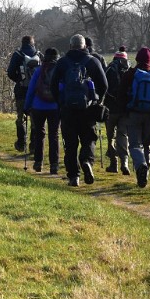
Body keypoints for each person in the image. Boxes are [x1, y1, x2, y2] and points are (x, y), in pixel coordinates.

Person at [50, 34, 108, 187]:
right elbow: (104, 85)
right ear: (85, 46)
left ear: (70, 46)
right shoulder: (92, 61)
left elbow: (53, 85)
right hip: (88, 109)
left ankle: (73, 177)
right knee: (89, 138)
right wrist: (98, 100)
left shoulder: (62, 62)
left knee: (70, 144)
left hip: (67, 109)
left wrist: (60, 102)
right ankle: (86, 161)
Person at [120, 47, 150, 188]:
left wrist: (125, 111)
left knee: (135, 145)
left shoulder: (130, 75)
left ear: (137, 59)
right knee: (147, 146)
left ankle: (141, 166)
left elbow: (120, 94)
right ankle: (144, 175)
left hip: (133, 114)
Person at [23, 48, 61, 174]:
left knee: (39, 134)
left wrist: (26, 106)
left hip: (38, 107)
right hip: (55, 107)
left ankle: (38, 162)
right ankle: (54, 165)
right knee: (54, 135)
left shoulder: (39, 70)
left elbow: (31, 90)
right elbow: (62, 88)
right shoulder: (59, 71)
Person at [6, 35, 41, 152]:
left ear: (22, 43)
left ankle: (21, 144)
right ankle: (34, 145)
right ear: (33, 43)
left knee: (21, 118)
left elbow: (10, 72)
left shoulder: (17, 55)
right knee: (35, 119)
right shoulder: (39, 55)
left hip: (21, 91)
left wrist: (19, 80)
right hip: (36, 92)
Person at [103, 47, 130, 175]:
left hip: (110, 109)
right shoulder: (128, 70)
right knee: (123, 135)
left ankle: (114, 163)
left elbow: (103, 87)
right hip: (124, 109)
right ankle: (125, 163)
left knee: (110, 137)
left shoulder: (108, 69)